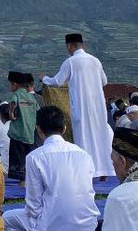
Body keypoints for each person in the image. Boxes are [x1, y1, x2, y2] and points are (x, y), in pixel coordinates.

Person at [2, 107, 98, 231]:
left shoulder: (35, 157)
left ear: (39, 130)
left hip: (51, 229)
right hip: (87, 228)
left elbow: (33, 206)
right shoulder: (84, 154)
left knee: (6, 219)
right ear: (64, 129)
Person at [41, 34, 114, 178]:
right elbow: (104, 82)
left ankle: (87, 171)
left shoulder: (71, 62)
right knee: (100, 138)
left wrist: (44, 78)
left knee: (84, 139)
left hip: (81, 108)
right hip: (98, 108)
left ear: (69, 46)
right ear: (83, 45)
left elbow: (57, 81)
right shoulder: (95, 61)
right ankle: (104, 170)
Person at [6, 73, 37, 181]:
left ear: (14, 84)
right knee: (28, 162)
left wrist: (12, 115)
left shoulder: (16, 95)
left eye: (10, 84)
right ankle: (29, 183)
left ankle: (21, 184)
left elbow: (12, 110)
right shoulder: (31, 97)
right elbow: (37, 111)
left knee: (18, 162)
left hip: (18, 134)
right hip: (30, 135)